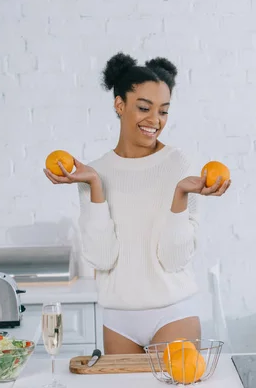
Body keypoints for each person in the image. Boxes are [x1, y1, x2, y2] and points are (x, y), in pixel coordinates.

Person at [44, 52, 231, 354]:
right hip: (117, 318)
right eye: (144, 107)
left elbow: (174, 259)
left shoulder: (181, 165)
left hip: (173, 313)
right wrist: (94, 186)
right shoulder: (93, 172)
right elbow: (102, 258)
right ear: (120, 105)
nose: (155, 121)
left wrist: (180, 196)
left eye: (164, 111)